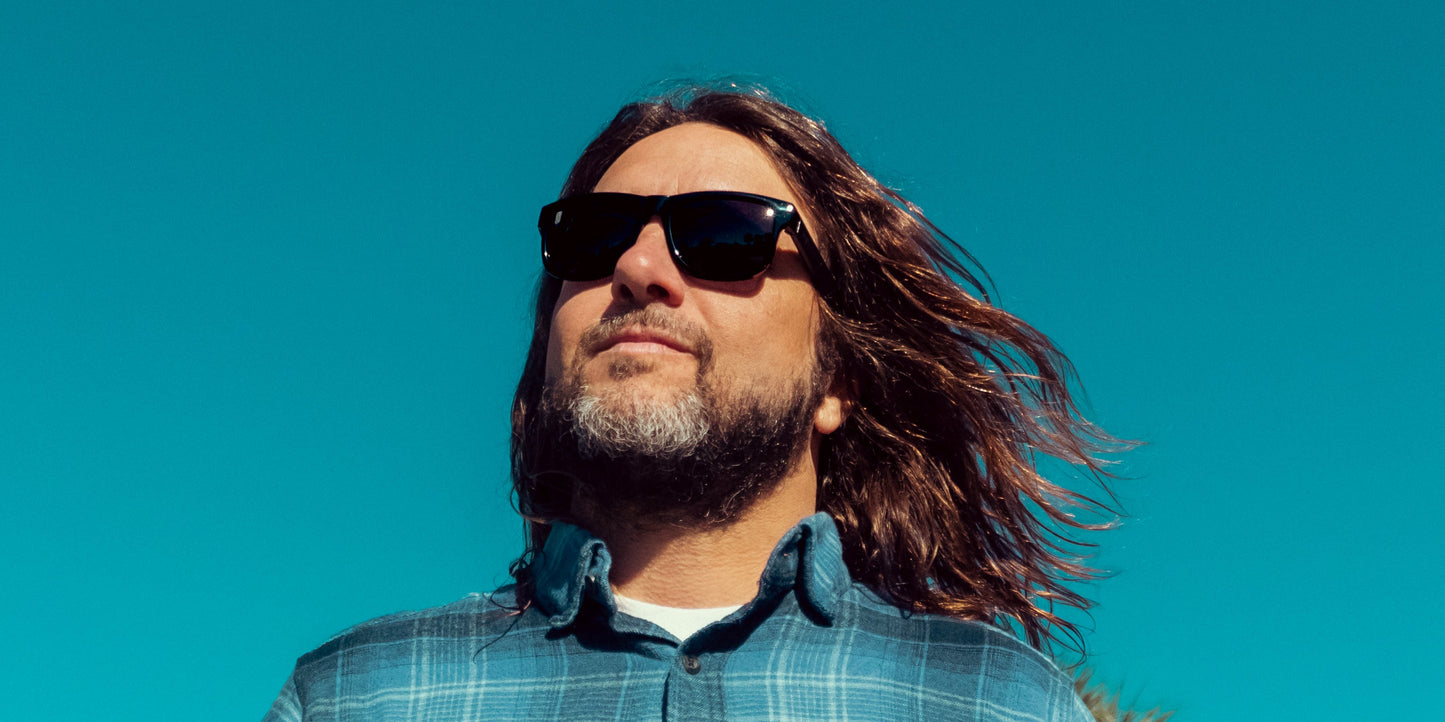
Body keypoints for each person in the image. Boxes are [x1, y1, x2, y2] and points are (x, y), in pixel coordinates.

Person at [265, 83, 1130, 721]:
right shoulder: (356, 696)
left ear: (836, 380)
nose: (637, 268)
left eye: (724, 234)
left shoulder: (999, 702)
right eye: (595, 235)